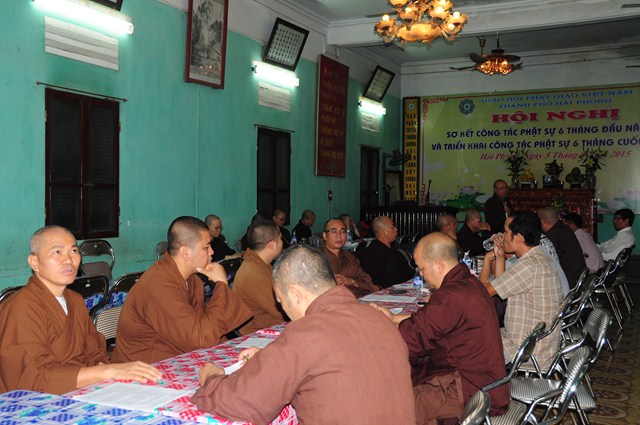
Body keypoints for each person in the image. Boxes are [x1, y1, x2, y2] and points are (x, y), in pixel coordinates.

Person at [191, 245, 416, 425]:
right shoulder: (379, 319)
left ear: (295, 294)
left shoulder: (306, 334)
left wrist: (212, 379)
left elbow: (244, 401)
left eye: (281, 301)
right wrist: (270, 357)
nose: (284, 310)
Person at [0, 226, 161, 394]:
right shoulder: (21, 307)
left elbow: (95, 352)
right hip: (33, 401)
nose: (68, 260)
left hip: (78, 391)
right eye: (57, 252)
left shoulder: (75, 300)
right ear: (35, 262)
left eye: (74, 251)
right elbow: (35, 377)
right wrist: (107, 372)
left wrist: (103, 368)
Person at [372, 233, 509, 424]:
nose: (421, 274)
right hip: (484, 381)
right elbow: (431, 321)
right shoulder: (469, 284)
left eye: (422, 268)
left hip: (469, 390)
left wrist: (373, 339)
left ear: (438, 265)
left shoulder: (451, 295)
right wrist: (394, 318)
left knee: (394, 408)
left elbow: (411, 339)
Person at [112, 216, 252, 364]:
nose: (212, 252)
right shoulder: (159, 285)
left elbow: (206, 324)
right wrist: (221, 284)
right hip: (145, 367)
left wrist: (231, 351)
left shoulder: (191, 279)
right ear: (185, 252)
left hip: (175, 357)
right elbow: (199, 340)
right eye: (206, 247)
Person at [480, 212, 563, 370]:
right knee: (474, 336)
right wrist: (499, 256)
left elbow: (485, 291)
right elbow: (502, 284)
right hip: (530, 341)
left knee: (466, 346)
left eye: (506, 232)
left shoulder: (529, 265)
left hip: (527, 350)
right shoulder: (536, 257)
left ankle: (481, 384)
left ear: (518, 237)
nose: (502, 236)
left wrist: (486, 259)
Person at [232, 220, 287, 335]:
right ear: (272, 245)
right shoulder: (254, 272)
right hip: (254, 333)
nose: (282, 242)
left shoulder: (260, 263)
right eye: (280, 238)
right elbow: (282, 310)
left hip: (268, 323)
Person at [320, 218, 378, 297]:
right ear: (324, 236)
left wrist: (351, 281)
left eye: (342, 231)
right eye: (333, 231)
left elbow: (367, 281)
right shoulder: (317, 258)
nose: (339, 235)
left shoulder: (349, 257)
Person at [355, 216, 415, 288]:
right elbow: (382, 281)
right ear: (383, 232)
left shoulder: (392, 250)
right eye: (392, 227)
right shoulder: (373, 253)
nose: (396, 229)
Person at [538, 207, 586, 289]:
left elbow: (545, 260)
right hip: (578, 274)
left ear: (542, 221)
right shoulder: (565, 228)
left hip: (569, 279)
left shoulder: (553, 234)